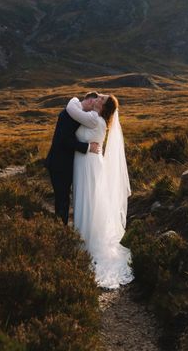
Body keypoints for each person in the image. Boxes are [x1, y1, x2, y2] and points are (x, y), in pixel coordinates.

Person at [66, 94, 134, 289]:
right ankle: (84, 238)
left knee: (87, 201)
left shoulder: (94, 119)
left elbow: (72, 108)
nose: (98, 97)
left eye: (102, 99)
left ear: (103, 108)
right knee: (87, 201)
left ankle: (86, 243)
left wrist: (74, 98)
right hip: (88, 163)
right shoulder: (98, 119)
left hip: (88, 165)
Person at [45, 92, 101, 225]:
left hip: (66, 164)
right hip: (59, 164)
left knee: (64, 198)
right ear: (88, 101)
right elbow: (65, 140)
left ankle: (61, 229)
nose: (93, 109)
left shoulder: (76, 113)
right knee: (62, 198)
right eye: (93, 105)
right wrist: (88, 147)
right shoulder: (70, 114)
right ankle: (60, 232)